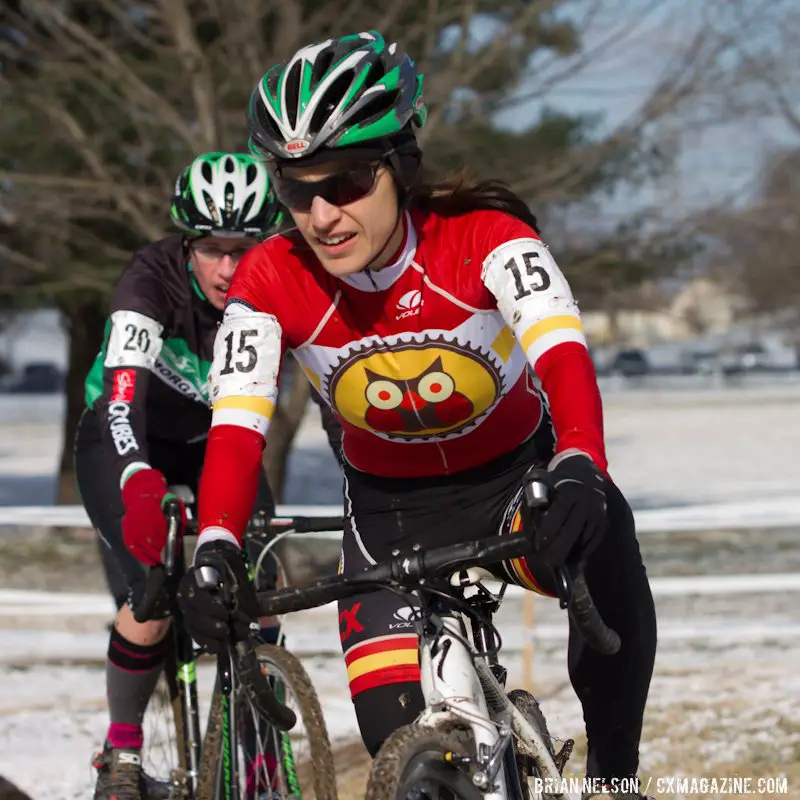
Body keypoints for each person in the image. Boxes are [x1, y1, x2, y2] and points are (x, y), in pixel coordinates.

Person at [177, 32, 657, 800]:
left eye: (347, 183)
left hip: (513, 492)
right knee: (407, 763)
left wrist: (579, 465)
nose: (323, 214)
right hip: (388, 517)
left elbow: (564, 357)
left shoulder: (486, 241)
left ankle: (614, 782)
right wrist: (217, 544)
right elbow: (238, 425)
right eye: (299, 191)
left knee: (608, 546)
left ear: (401, 168)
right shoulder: (269, 280)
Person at [76, 151, 342, 800]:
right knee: (153, 596)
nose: (229, 268)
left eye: (244, 248)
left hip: (221, 440)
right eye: (214, 250)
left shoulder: (285, 277)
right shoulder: (151, 281)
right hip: (127, 439)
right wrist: (139, 479)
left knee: (261, 589)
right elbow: (121, 399)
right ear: (187, 244)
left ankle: (257, 756)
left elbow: (333, 389)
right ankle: (124, 753)